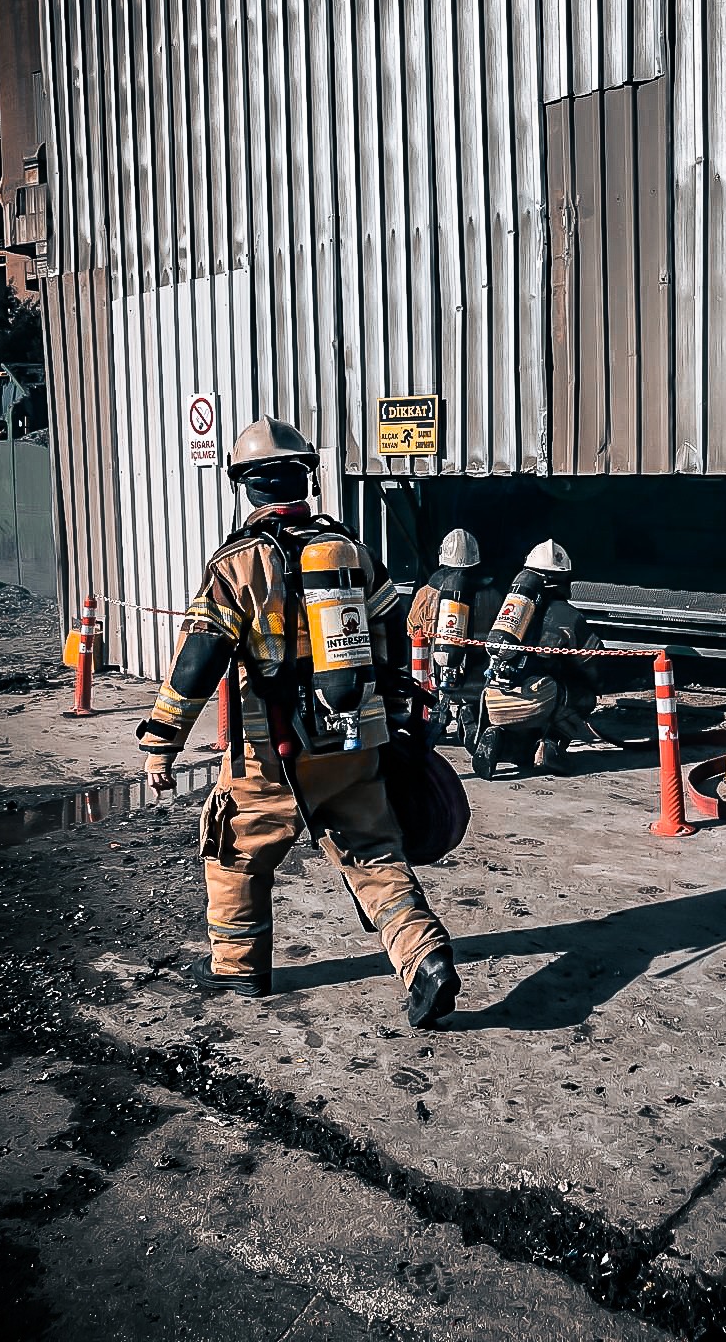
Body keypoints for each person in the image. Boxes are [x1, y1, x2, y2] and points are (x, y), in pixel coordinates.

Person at [136, 416, 460, 1027]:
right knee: (373, 851)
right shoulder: (354, 552)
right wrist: (391, 723)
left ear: (245, 485)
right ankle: (426, 959)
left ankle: (239, 971)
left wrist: (162, 743)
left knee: (235, 850)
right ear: (305, 477)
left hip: (273, 752)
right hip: (355, 742)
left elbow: (200, 657)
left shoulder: (236, 563)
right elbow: (390, 641)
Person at [472, 539, 601, 779]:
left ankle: (499, 736)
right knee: (582, 697)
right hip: (533, 700)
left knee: (537, 693)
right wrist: (592, 685)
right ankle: (552, 745)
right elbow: (591, 661)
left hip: (492, 701)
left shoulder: (510, 611)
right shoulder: (568, 616)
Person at [406, 529, 497, 743]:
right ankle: (469, 715)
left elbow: (413, 629)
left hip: (439, 672)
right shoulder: (492, 592)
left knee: (437, 699)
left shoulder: (427, 592)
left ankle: (439, 719)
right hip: (478, 673)